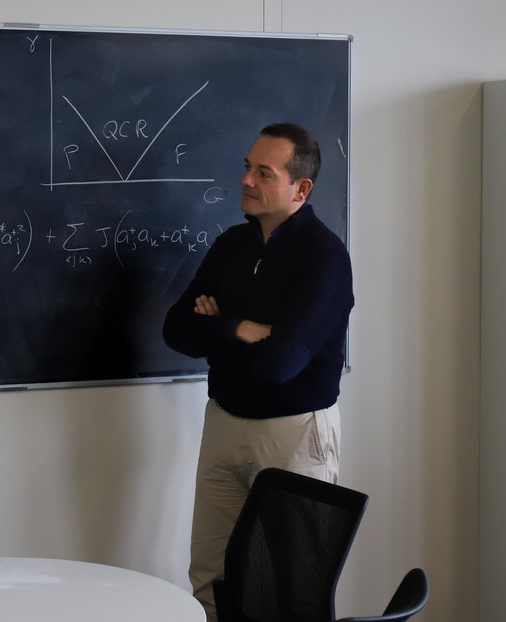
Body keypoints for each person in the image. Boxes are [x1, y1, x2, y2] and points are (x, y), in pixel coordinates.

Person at [162, 122, 353, 622]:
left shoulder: (325, 258)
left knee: (293, 593)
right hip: (224, 424)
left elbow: (281, 365)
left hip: (292, 436)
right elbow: (175, 329)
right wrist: (243, 329)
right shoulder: (231, 245)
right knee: (209, 580)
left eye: (263, 172)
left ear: (300, 188)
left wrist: (216, 331)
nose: (246, 180)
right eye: (247, 167)